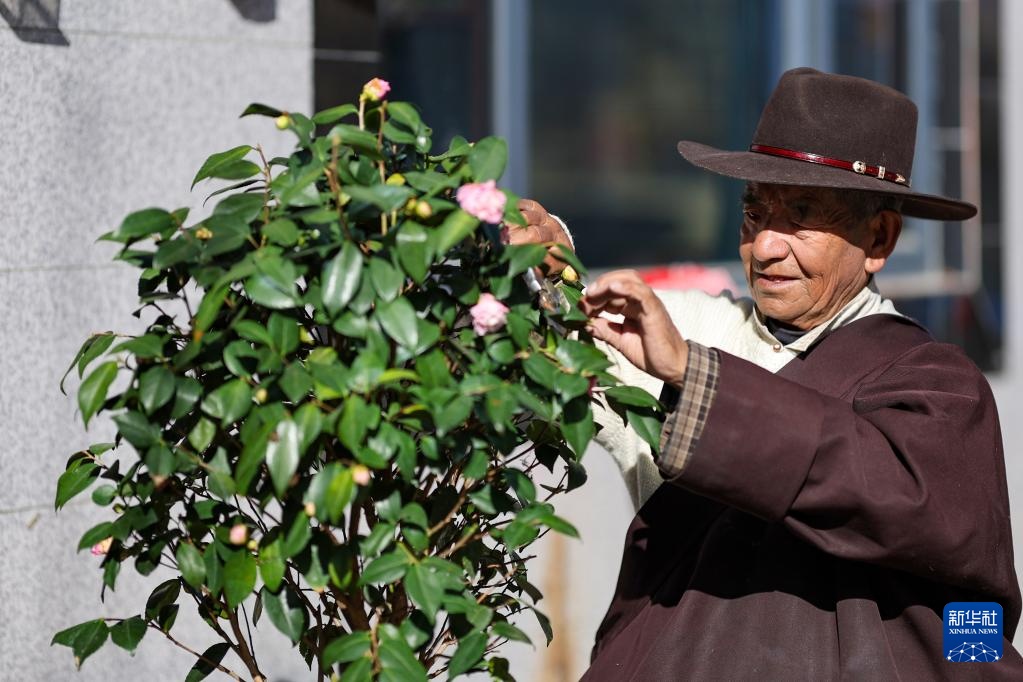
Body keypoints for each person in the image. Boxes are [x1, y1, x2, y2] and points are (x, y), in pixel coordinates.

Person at [516, 68, 1023, 679]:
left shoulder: (938, 388)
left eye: (803, 216)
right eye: (756, 213)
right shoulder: (699, 328)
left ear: (879, 238)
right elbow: (562, 334)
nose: (765, 247)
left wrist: (965, 664)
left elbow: (972, 593)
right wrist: (546, 263)